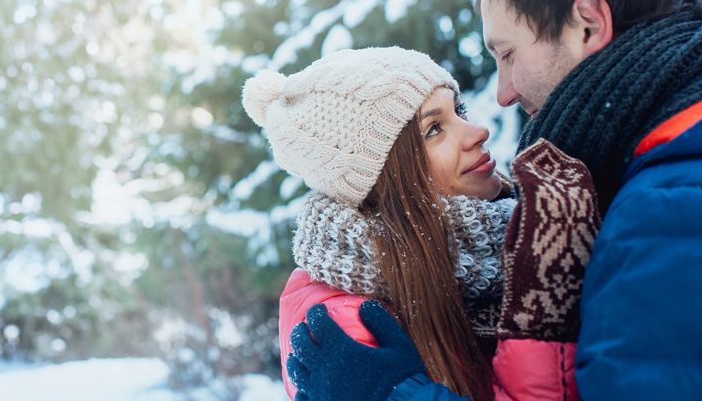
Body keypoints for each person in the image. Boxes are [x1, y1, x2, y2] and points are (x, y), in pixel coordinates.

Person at [287, 0, 702, 400]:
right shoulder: (621, 191)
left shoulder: (669, 208)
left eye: (507, 53)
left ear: (590, 26)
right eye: (433, 128)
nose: (501, 98)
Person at [242, 47, 588, 401]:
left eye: (460, 111)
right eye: (433, 129)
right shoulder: (342, 322)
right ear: (383, 180)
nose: (478, 132)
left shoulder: (529, 235)